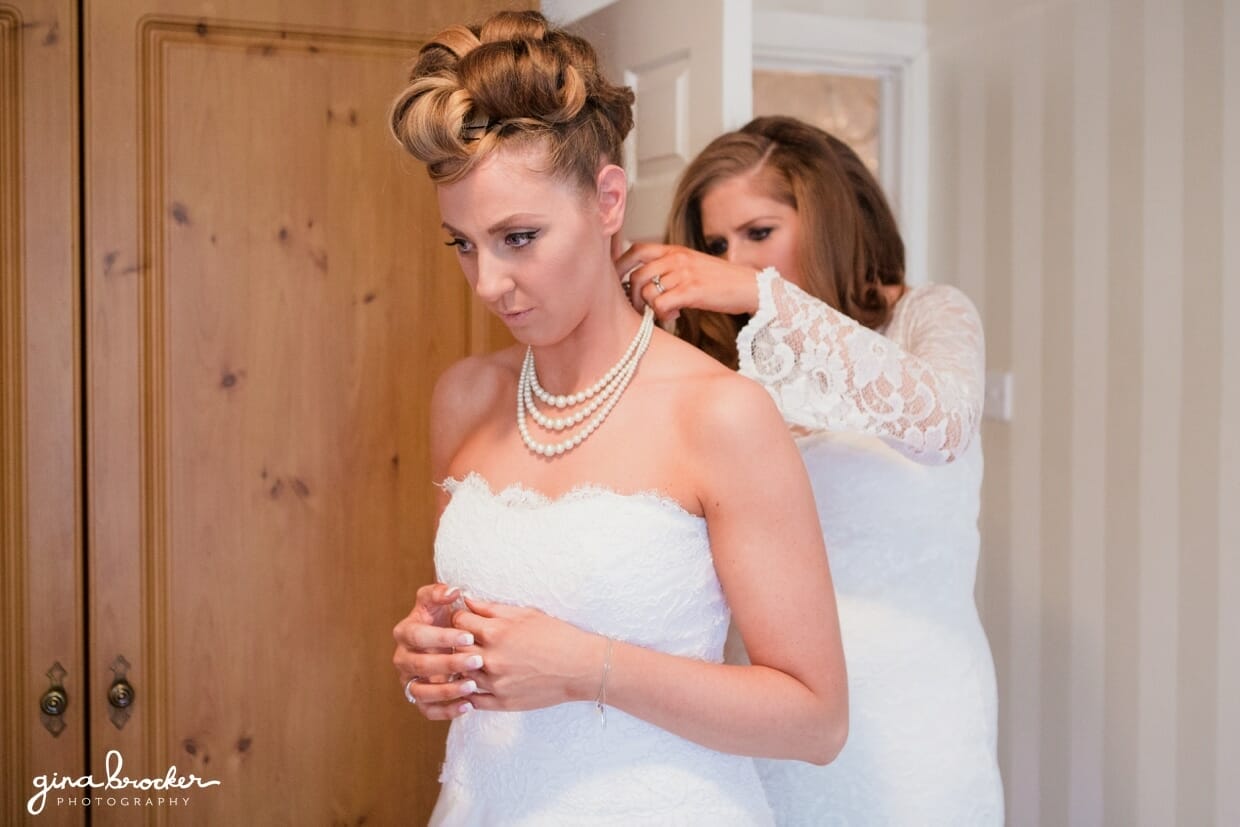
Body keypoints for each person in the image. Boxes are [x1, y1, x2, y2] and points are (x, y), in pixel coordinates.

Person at [387, 14, 847, 826]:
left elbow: (816, 719)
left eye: (519, 237)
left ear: (606, 201)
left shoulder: (722, 414)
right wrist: (432, 657)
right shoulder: (463, 397)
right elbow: (476, 639)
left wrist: (588, 667)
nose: (489, 281)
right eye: (461, 244)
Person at [615, 116, 1004, 824]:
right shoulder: (718, 368)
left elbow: (942, 425)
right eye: (715, 244)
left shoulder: (928, 316)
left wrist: (764, 296)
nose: (731, 260)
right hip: (767, 716)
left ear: (825, 217)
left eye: (759, 233)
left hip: (919, 715)